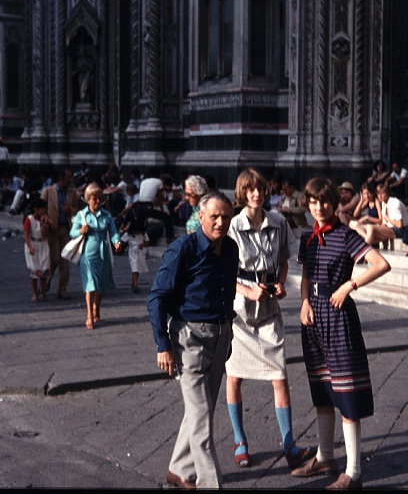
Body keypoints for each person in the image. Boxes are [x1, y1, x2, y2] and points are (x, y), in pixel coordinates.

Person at [291, 177, 391, 489]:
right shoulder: (308, 237)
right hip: (313, 317)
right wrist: (304, 302)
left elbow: (380, 263)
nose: (319, 208)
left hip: (339, 316)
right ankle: (325, 457)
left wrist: (350, 285)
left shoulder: (346, 235)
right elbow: (305, 275)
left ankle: (353, 471)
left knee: (347, 393)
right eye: (313, 202)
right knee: (322, 389)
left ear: (334, 203)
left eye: (324, 201)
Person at [224, 169, 315, 471]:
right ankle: (239, 440)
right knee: (234, 376)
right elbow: (222, 272)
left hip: (269, 308)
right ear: (242, 193)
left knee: (280, 376)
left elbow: (285, 260)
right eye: (250, 189)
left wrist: (281, 283)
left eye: (260, 189)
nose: (256, 194)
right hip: (240, 312)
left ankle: (289, 444)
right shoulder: (233, 226)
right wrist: (246, 291)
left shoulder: (278, 222)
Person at [147, 192, 239, 489]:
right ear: (200, 217)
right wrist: (163, 345)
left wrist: (228, 332)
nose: (221, 222)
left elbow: (227, 293)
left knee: (202, 410)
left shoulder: (231, 248)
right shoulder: (182, 249)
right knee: (202, 420)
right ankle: (211, 484)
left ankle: (178, 469)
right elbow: (156, 298)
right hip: (189, 339)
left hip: (220, 335)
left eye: (226, 217)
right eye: (214, 216)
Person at [70, 183, 121, 329]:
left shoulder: (106, 215)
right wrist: (81, 231)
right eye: (94, 198)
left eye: (100, 198)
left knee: (101, 283)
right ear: (88, 199)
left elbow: (113, 231)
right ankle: (89, 315)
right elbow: (72, 233)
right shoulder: (82, 215)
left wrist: (116, 242)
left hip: (103, 253)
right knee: (90, 284)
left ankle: (96, 307)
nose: (97, 201)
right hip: (88, 254)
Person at [41, 168, 80, 299]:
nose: (70, 179)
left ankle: (62, 289)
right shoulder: (48, 191)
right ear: (61, 178)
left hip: (66, 229)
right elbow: (41, 211)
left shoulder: (71, 193)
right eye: (68, 177)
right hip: (52, 230)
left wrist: (70, 209)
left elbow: (77, 211)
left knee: (65, 261)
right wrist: (49, 222)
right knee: (54, 259)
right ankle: (46, 281)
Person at [135, 166, 175, 243]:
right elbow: (160, 198)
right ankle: (170, 237)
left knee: (140, 222)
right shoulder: (158, 181)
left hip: (139, 205)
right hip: (147, 205)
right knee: (167, 217)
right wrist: (162, 210)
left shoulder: (143, 181)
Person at [23, 198, 50, 302]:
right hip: (33, 244)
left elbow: (45, 234)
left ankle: (42, 290)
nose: (43, 210)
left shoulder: (45, 219)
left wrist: (43, 224)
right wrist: (30, 247)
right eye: (41, 208)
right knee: (34, 269)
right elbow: (26, 234)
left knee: (44, 268)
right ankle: (35, 293)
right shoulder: (29, 219)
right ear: (36, 209)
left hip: (43, 244)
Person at [120, 215, 149, 293]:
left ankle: (133, 283)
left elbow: (147, 241)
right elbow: (122, 241)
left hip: (140, 252)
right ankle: (136, 285)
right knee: (135, 268)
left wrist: (143, 244)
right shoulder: (128, 234)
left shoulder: (143, 233)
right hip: (132, 252)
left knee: (137, 268)